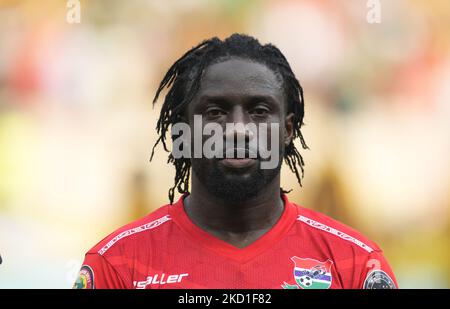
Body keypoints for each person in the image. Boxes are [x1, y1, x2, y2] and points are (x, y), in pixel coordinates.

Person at [73, 34, 397, 289]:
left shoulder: (355, 264)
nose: (239, 130)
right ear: (182, 132)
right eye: (215, 112)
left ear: (287, 130)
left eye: (259, 111)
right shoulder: (116, 265)